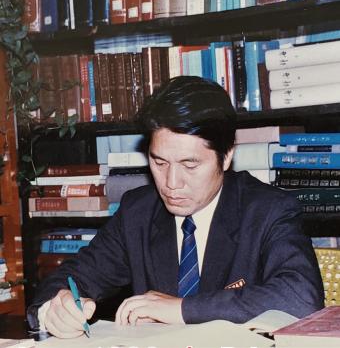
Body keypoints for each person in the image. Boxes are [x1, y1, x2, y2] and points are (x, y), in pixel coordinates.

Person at [27, 76, 324, 338]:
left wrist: (180, 309)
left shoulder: (268, 210)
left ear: (226, 157)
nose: (171, 183)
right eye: (159, 162)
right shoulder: (138, 213)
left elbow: (300, 298)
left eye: (189, 164)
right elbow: (69, 280)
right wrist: (56, 309)